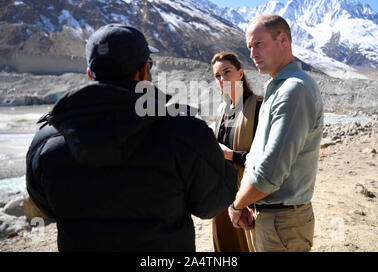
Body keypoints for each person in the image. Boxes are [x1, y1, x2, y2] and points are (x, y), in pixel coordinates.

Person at [26, 23, 238, 252]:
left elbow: (46, 207)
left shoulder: (47, 140)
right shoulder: (185, 132)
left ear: (90, 74)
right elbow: (212, 204)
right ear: (143, 71)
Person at [228, 14, 324, 252]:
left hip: (282, 222)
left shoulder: (294, 90)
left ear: (283, 41)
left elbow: (271, 172)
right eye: (250, 47)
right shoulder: (279, 89)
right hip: (273, 219)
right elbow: (258, 156)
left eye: (259, 44)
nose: (252, 54)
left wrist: (238, 205)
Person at [210, 52, 263, 252]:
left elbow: (267, 158)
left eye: (227, 72)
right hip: (222, 193)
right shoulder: (222, 110)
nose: (222, 79)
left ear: (240, 73)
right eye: (217, 76)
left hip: (247, 196)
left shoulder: (257, 106)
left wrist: (231, 155)